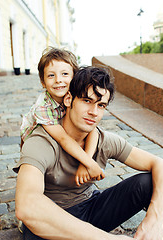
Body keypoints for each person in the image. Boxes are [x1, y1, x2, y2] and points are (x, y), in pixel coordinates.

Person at [14, 66, 163, 240]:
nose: (94, 112)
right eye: (87, 101)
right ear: (69, 99)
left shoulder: (103, 140)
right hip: (53, 222)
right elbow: (27, 206)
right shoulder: (41, 141)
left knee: (149, 182)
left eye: (101, 105)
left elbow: (162, 166)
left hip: (91, 209)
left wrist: (155, 219)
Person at [20, 47, 104, 185]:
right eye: (51, 75)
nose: (58, 80)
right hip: (35, 139)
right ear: (43, 81)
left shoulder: (73, 96)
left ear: (74, 77)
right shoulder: (42, 107)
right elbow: (63, 138)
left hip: (60, 134)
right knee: (38, 170)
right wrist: (90, 164)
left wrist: (86, 162)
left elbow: (92, 129)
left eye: (64, 74)